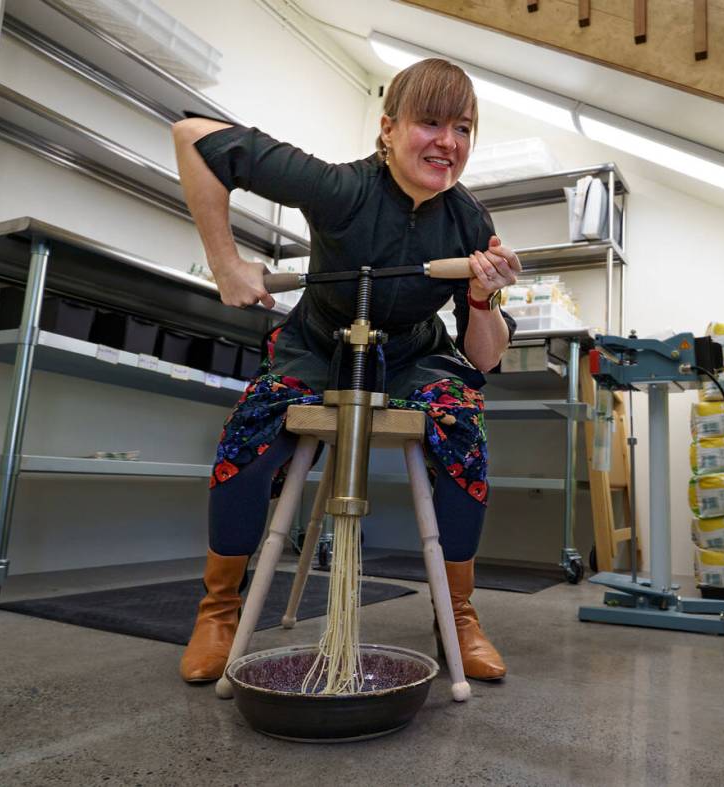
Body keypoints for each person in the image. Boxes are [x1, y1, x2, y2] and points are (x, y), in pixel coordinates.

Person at [171, 58, 520, 684]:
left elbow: (487, 356)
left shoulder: (470, 222)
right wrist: (226, 264)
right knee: (249, 432)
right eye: (430, 123)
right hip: (319, 346)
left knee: (463, 429)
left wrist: (481, 295)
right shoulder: (341, 189)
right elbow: (194, 138)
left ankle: (458, 618)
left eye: (463, 129)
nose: (448, 142)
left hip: (413, 356)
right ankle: (218, 611)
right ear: (387, 129)